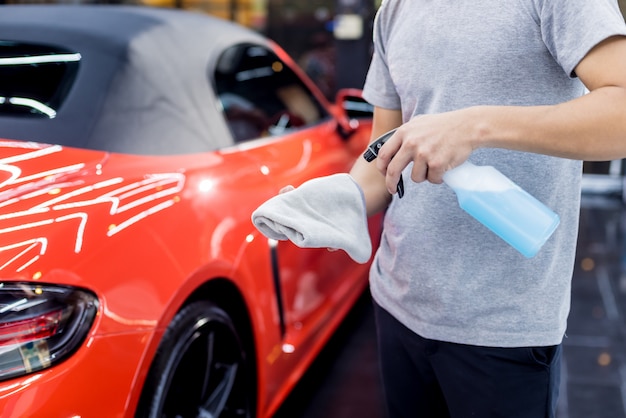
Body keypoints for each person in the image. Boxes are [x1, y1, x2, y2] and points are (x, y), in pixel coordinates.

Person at [348, 1, 626, 417]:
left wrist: (473, 126)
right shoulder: (394, 10)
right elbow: (384, 153)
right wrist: (336, 200)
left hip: (502, 324)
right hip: (397, 300)